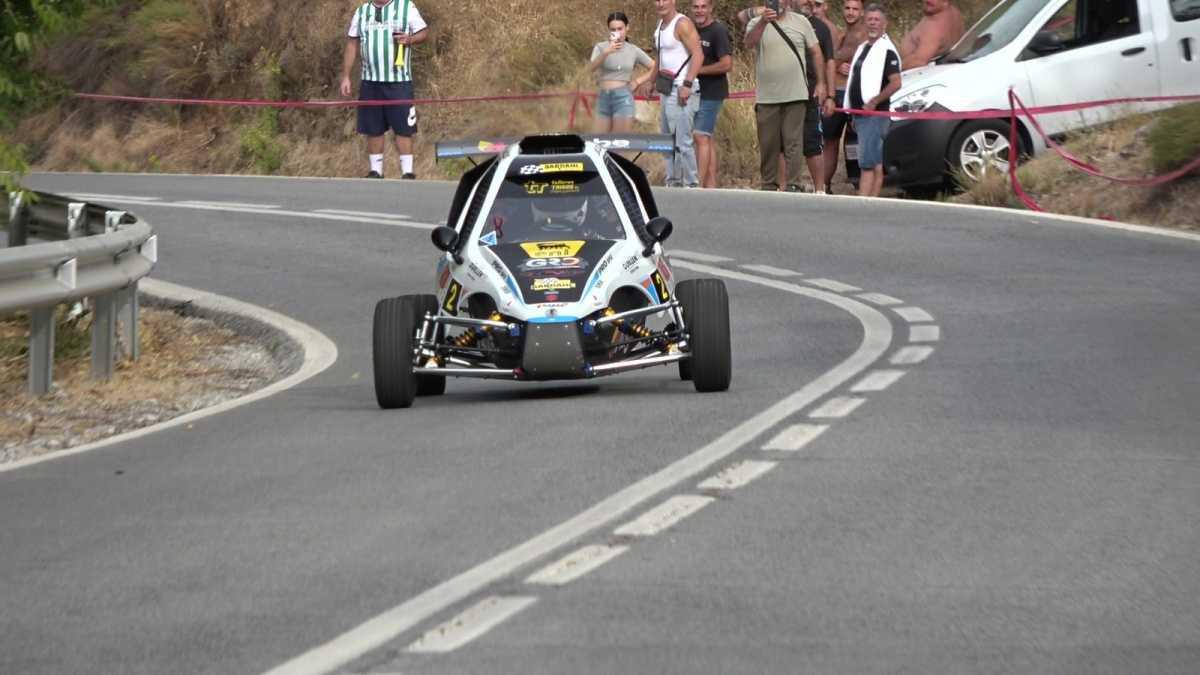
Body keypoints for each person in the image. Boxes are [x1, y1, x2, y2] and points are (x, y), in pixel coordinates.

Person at [340, 0, 430, 179]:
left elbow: (424, 32)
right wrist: (346, 76)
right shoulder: (363, 11)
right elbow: (352, 44)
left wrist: (410, 39)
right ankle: (376, 170)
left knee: (403, 127)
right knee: (373, 128)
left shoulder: (406, 7)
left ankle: (407, 172)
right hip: (370, 81)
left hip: (398, 80)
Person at [744, 1, 828, 192]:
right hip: (767, 96)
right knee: (768, 144)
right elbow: (748, 43)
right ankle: (769, 184)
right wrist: (763, 22)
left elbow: (816, 52)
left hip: (796, 93)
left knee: (793, 143)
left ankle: (793, 184)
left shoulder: (801, 22)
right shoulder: (756, 23)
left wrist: (821, 83)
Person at [644, 0, 705, 188]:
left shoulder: (682, 24)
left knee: (683, 142)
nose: (661, 3)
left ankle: (691, 184)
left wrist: (687, 84)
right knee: (667, 141)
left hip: (682, 89)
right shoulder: (661, 25)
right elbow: (660, 58)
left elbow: (698, 54)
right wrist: (651, 81)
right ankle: (673, 182)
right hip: (666, 89)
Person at [844, 3, 900, 197]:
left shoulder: (887, 50)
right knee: (874, 161)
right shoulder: (863, 48)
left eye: (877, 20)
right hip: (860, 115)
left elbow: (896, 83)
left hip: (874, 115)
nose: (873, 23)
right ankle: (873, 202)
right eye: (870, 19)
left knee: (867, 164)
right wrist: (852, 110)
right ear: (864, 22)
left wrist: (875, 101)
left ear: (885, 23)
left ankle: (864, 203)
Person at [822, 0, 866, 192]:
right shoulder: (841, 34)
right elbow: (829, 61)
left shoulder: (863, 35)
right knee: (829, 141)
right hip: (836, 93)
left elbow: (832, 58)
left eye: (855, 9)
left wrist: (839, 62)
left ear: (862, 12)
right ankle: (823, 187)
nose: (851, 12)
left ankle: (861, 188)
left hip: (854, 95)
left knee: (856, 141)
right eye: (847, 8)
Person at [794, 0, 837, 194]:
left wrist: (830, 95)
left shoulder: (821, 28)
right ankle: (783, 187)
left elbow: (829, 62)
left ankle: (819, 189)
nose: (806, 2)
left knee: (812, 142)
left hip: (811, 92)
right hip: (786, 91)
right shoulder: (785, 22)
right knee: (783, 142)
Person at [690, 0, 733, 189]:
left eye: (703, 7)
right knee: (706, 138)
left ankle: (697, 185)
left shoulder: (718, 31)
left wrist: (698, 71)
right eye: (696, 7)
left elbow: (727, 64)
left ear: (710, 8)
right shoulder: (690, 29)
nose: (699, 11)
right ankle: (710, 186)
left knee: (699, 135)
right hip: (694, 92)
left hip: (712, 91)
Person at [589, 12, 655, 133]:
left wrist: (637, 81)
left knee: (619, 143)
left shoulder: (633, 49)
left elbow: (655, 66)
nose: (617, 32)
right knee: (598, 143)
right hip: (603, 96)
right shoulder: (601, 47)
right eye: (613, 29)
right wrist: (606, 52)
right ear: (609, 30)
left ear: (627, 28)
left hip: (623, 97)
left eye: (620, 28)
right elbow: (591, 68)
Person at [898, 0, 965, 69]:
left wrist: (890, 70)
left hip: (917, 75)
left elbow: (918, 61)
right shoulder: (953, 12)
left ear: (946, 1)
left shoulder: (935, 27)